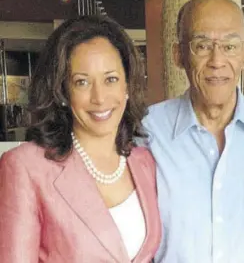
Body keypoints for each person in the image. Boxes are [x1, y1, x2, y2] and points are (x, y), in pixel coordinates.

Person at [0, 16, 161, 262]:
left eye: (111, 79)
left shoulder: (144, 161)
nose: (99, 97)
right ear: (62, 90)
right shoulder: (25, 166)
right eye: (82, 82)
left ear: (127, 86)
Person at [141, 0, 244, 263]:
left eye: (230, 46)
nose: (217, 60)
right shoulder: (147, 132)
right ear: (178, 55)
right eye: (202, 45)